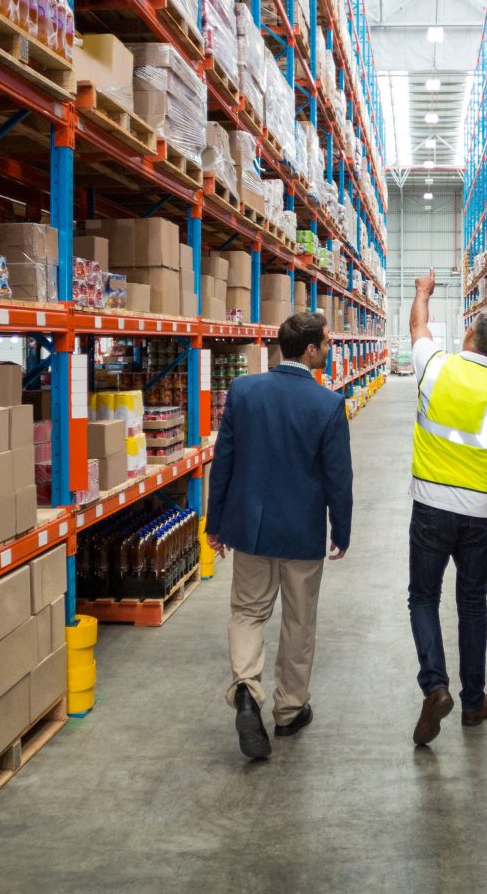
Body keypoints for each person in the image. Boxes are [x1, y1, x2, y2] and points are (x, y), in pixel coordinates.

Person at [205, 311, 353, 760]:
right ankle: (289, 711)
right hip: (301, 533)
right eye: (326, 341)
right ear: (310, 350)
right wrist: (340, 529)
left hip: (250, 529)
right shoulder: (326, 404)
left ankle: (247, 690)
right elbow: (338, 478)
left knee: (248, 612)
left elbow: (224, 460)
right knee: (298, 619)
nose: (329, 347)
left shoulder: (244, 391)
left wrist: (216, 523)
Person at [405, 268, 487, 746]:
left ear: (470, 334)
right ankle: (473, 703)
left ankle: (435, 685)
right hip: (479, 514)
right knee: (473, 604)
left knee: (423, 598)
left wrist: (421, 292)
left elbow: (418, 327)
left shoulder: (435, 365)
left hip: (430, 507)